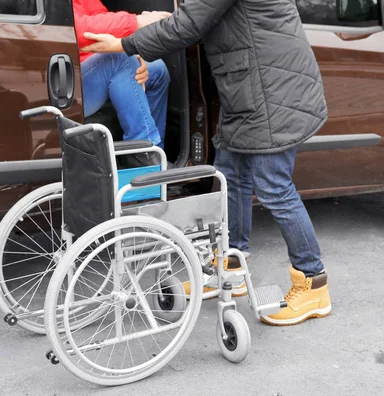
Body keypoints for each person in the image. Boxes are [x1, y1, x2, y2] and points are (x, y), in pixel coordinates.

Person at [80, 0, 331, 326]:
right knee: (230, 177)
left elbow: (191, 23)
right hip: (249, 89)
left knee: (275, 188)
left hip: (271, 90)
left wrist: (125, 44)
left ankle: (313, 282)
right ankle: (230, 270)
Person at [73, 0, 171, 155]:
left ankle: (157, 153)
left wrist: (131, 49)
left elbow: (99, 15)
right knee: (121, 60)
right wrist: (136, 22)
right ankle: (144, 157)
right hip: (65, 82)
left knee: (157, 69)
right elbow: (74, 29)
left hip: (92, 64)